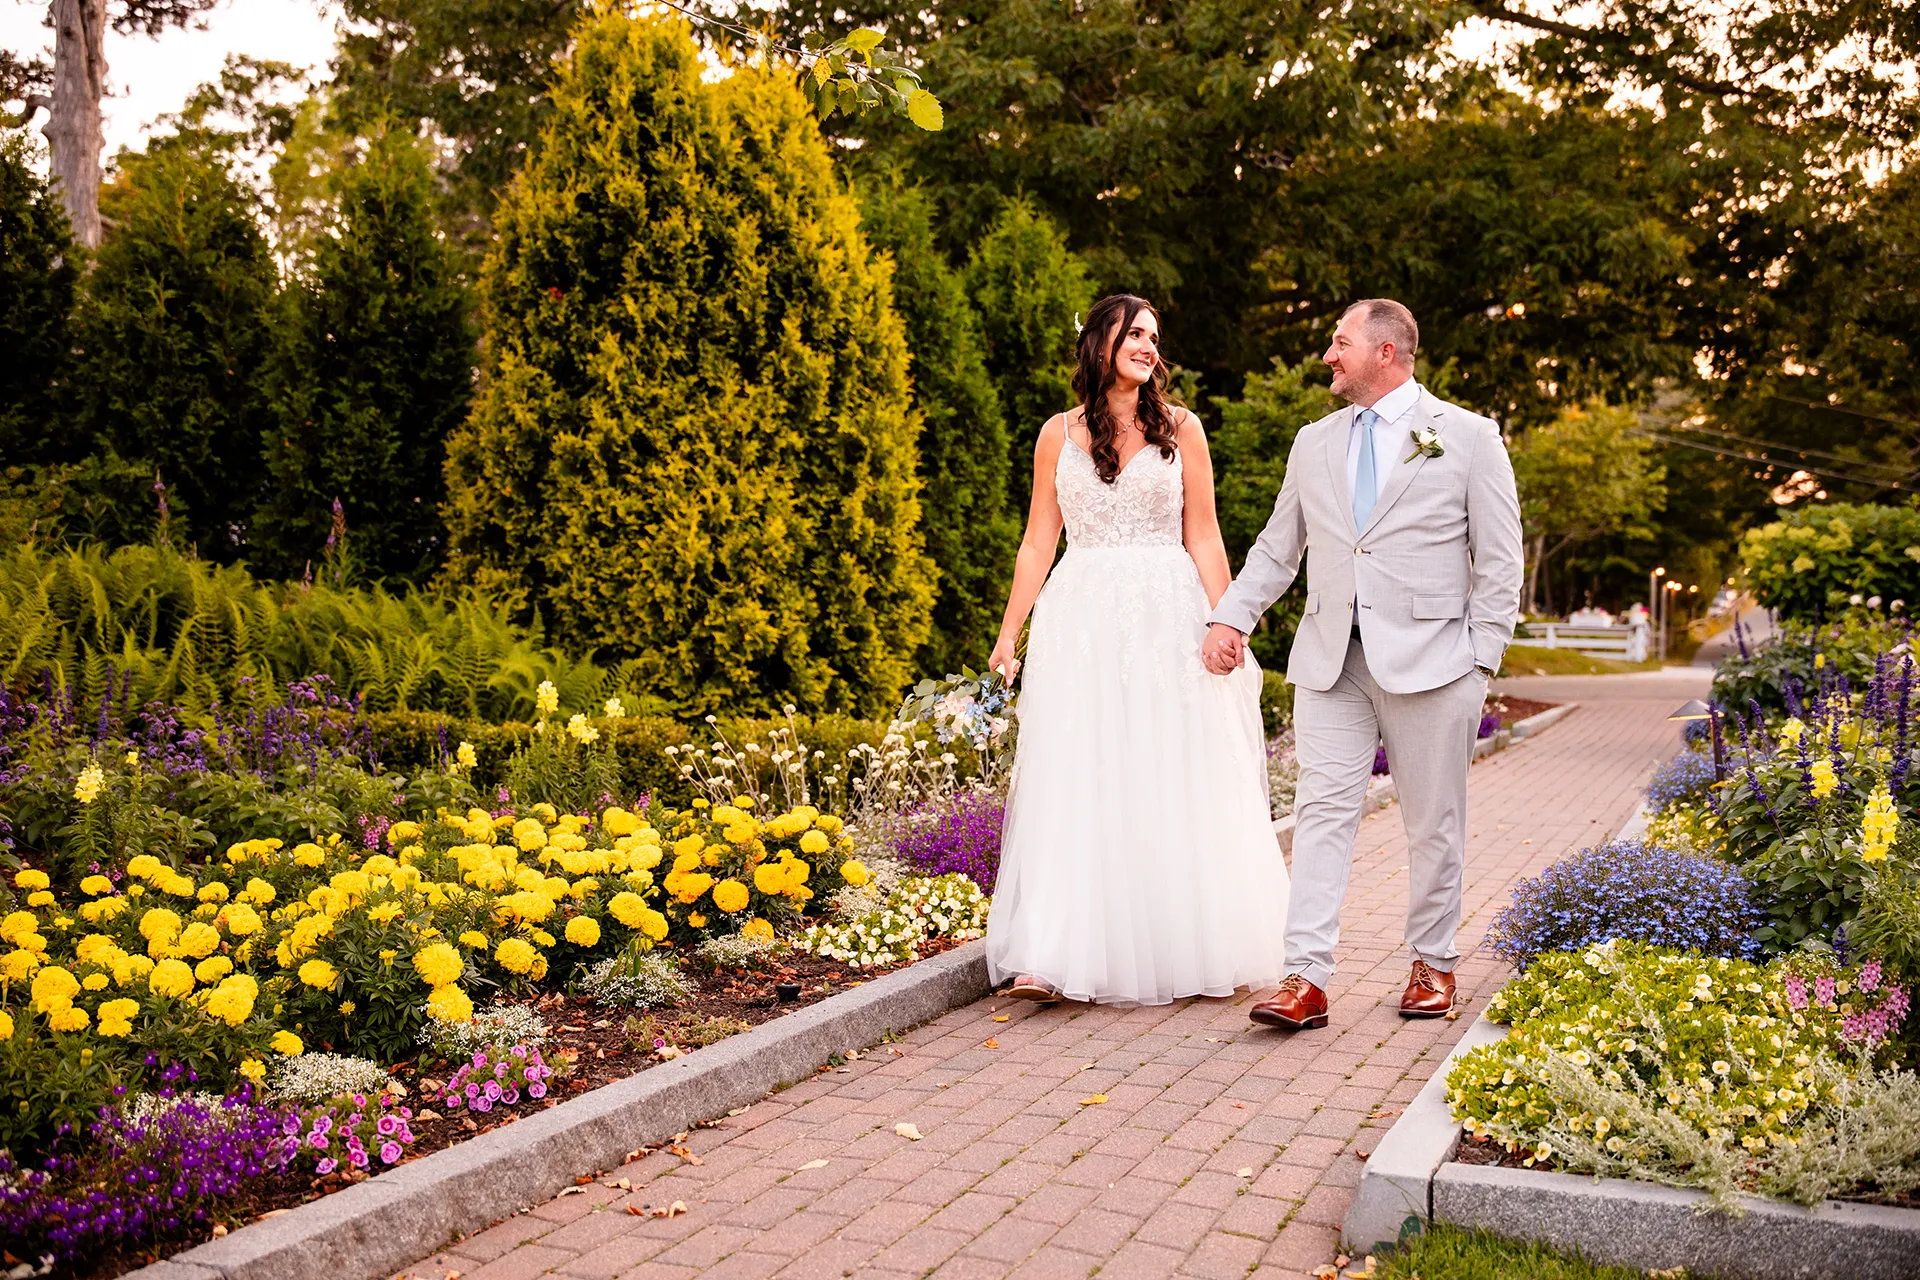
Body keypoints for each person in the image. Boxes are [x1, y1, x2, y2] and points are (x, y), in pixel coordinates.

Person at [1203, 299, 1523, 1029]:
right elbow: (1278, 548)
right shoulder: (1313, 443)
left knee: (1432, 821)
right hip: (1330, 663)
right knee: (1321, 815)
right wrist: (1233, 614)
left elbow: (1501, 561)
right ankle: (1306, 978)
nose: (1327, 355)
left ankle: (1433, 963)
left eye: (1339, 342)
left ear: (1386, 352)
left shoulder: (1469, 438)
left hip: (1435, 664)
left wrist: (1481, 663)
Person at [982, 294, 1289, 1006]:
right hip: (1081, 619)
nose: (1149, 345)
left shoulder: (1183, 428)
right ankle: (1051, 954)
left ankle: (1186, 942)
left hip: (1166, 612)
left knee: (1170, 767)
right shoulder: (1056, 434)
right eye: (1136, 332)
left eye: (1155, 336)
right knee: (1076, 773)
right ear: (1100, 341)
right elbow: (1038, 541)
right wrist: (1008, 632)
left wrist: (1230, 621)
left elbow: (1204, 535)